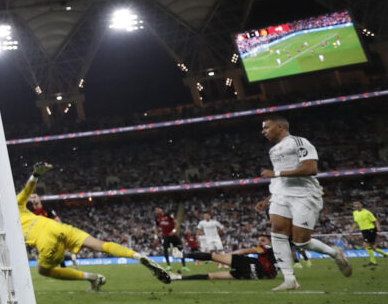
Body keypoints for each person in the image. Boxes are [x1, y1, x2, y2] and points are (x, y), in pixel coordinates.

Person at [0, 162, 170, 291]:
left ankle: (93, 277)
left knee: (44, 271)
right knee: (101, 245)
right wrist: (35, 175)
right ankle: (137, 256)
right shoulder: (16, 204)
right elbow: (27, 191)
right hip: (58, 227)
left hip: (45, 241)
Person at [255, 115, 351, 291]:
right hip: (280, 195)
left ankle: (334, 253)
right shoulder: (273, 151)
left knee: (301, 241)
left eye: (267, 127)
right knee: (277, 231)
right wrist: (267, 199)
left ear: (281, 127)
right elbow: (278, 178)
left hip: (304, 195)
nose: (264, 131)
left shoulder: (299, 142)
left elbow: (311, 168)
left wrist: (276, 174)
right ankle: (290, 280)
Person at [148, 236, 278, 282]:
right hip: (254, 275)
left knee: (213, 256)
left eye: (263, 240)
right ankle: (177, 277)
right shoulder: (278, 254)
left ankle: (182, 255)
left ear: (269, 241)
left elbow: (249, 250)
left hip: (250, 265)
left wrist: (233, 254)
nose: (260, 242)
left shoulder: (267, 248)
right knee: (212, 276)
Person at [30, 193, 77, 267]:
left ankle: (65, 263)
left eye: (35, 197)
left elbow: (57, 219)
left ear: (39, 198)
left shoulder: (47, 209)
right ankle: (68, 261)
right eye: (31, 198)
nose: (33, 199)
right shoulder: (31, 212)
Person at [350, 201, 387, 266]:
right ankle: (385, 254)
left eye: (358, 203)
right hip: (364, 231)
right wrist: (352, 229)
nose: (356, 205)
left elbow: (375, 221)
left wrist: (379, 230)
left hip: (370, 229)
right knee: (372, 247)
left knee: (366, 245)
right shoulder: (354, 213)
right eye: (355, 204)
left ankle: (373, 262)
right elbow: (356, 222)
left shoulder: (367, 212)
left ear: (361, 205)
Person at [154, 207, 188, 272]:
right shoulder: (157, 219)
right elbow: (156, 227)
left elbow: (177, 223)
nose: (157, 211)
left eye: (158, 209)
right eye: (156, 210)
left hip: (174, 236)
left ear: (161, 209)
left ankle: (184, 266)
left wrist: (174, 231)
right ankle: (168, 266)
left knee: (179, 250)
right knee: (165, 250)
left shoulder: (168, 215)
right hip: (165, 237)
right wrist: (156, 236)